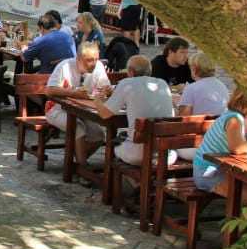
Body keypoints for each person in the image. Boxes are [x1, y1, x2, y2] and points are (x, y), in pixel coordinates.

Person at [93, 55, 174, 165]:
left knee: (115, 145)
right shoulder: (162, 84)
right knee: (128, 138)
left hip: (139, 154)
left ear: (130, 71)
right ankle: (138, 180)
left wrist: (98, 100)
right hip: (166, 154)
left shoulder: (127, 84)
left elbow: (104, 114)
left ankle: (133, 181)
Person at [192, 88, 247, 213]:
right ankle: (236, 232)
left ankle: (245, 230)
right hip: (208, 171)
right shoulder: (234, 118)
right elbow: (237, 148)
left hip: (230, 169)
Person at [46, 41, 110, 172]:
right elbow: (50, 90)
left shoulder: (98, 67)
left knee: (98, 136)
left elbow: (104, 86)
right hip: (57, 109)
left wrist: (107, 90)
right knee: (79, 129)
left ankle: (75, 163)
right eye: (89, 60)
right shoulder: (65, 66)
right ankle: (83, 169)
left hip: (83, 110)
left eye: (96, 59)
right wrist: (72, 92)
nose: (94, 63)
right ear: (79, 59)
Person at [175, 51, 231, 160]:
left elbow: (183, 121)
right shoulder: (222, 86)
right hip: (220, 143)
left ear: (194, 70)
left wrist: (176, 109)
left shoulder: (191, 88)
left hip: (196, 146)